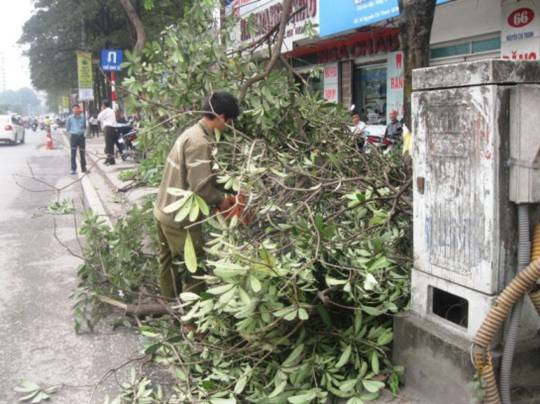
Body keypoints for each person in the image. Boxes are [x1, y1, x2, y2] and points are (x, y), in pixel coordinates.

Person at [153, 91, 240, 299]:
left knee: (167, 263)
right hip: (179, 220)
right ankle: (193, 323)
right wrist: (223, 202)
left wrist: (232, 188)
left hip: (162, 211)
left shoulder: (191, 133)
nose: (228, 126)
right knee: (196, 269)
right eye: (228, 121)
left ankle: (170, 309)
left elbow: (203, 175)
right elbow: (200, 188)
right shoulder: (200, 142)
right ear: (219, 116)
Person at [65, 105, 87, 175]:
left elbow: (84, 126)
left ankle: (84, 168)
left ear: (79, 109)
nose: (75, 110)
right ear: (72, 110)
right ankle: (73, 169)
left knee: (82, 153)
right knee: (73, 153)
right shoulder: (70, 118)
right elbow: (67, 127)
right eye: (74, 109)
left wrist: (84, 133)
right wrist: (70, 134)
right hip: (73, 137)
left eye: (77, 109)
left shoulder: (83, 117)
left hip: (81, 137)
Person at [97, 100, 117, 165]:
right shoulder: (111, 111)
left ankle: (109, 160)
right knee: (111, 145)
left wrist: (102, 110)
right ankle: (111, 160)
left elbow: (99, 118)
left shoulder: (105, 111)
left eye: (102, 105)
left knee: (108, 145)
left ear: (104, 105)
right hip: (113, 128)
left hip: (108, 128)